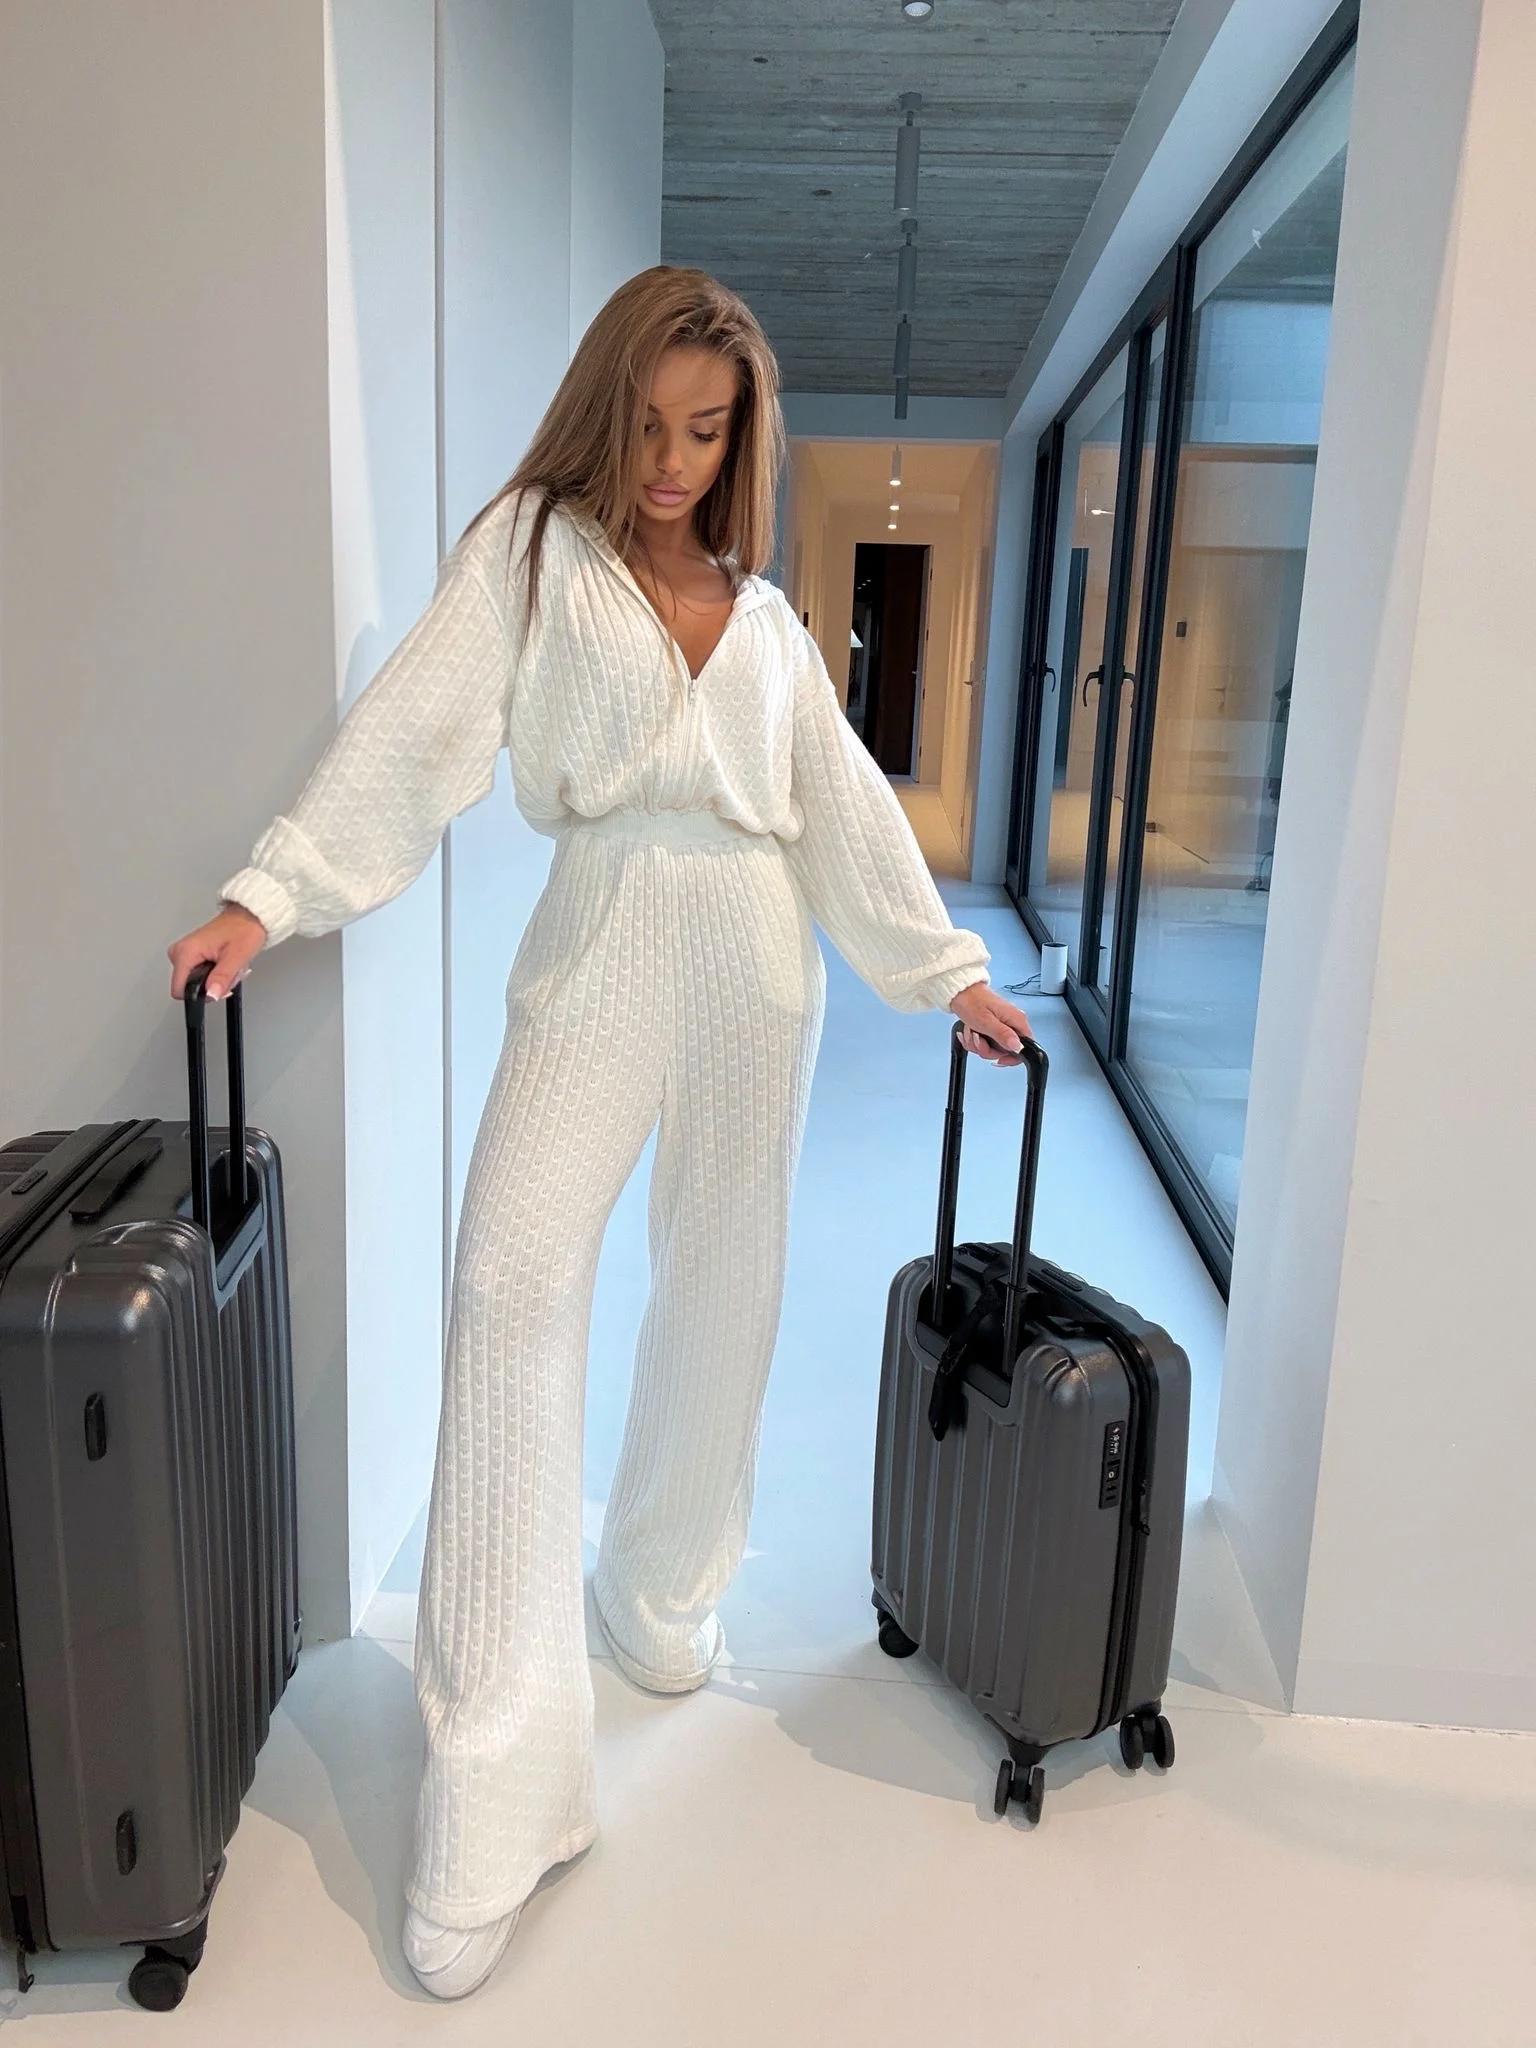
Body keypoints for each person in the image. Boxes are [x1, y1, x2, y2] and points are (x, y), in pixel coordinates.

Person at [168, 265, 1031, 2001]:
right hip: (602, 936)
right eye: (645, 423)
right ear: (602, 407)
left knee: (724, 1284)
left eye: (704, 432)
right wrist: (275, 891)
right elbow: (416, 729)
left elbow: (838, 806)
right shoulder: (533, 553)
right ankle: (496, 1786)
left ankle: (660, 1593)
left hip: (758, 967)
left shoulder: (766, 620)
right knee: (510, 1282)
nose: (669, 461)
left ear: (741, 438)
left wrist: (947, 971)